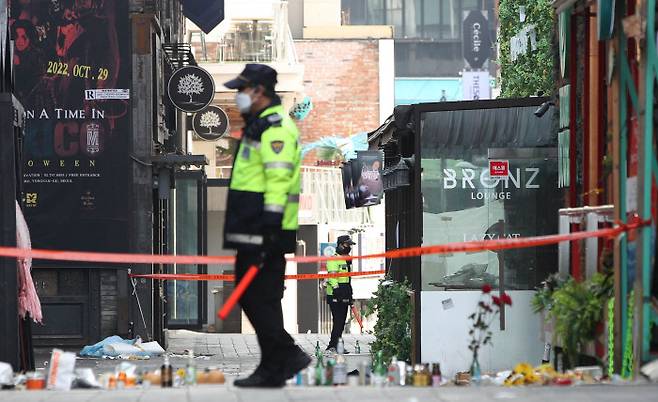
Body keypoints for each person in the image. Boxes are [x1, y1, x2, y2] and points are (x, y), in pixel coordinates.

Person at [223, 64, 311, 387]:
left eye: (242, 89)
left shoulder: (274, 128)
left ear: (259, 91)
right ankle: (276, 364)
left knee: (258, 298)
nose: (239, 96)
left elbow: (278, 178)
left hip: (264, 231)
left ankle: (284, 359)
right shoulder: (259, 125)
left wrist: (270, 228)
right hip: (254, 229)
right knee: (257, 298)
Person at [325, 235, 356, 353]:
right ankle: (333, 346)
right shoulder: (334, 258)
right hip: (335, 293)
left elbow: (347, 279)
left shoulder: (346, 259)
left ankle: (337, 345)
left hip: (344, 292)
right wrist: (336, 290)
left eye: (350, 245)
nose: (349, 247)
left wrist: (349, 294)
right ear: (340, 245)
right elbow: (332, 276)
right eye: (347, 245)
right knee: (338, 321)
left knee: (341, 321)